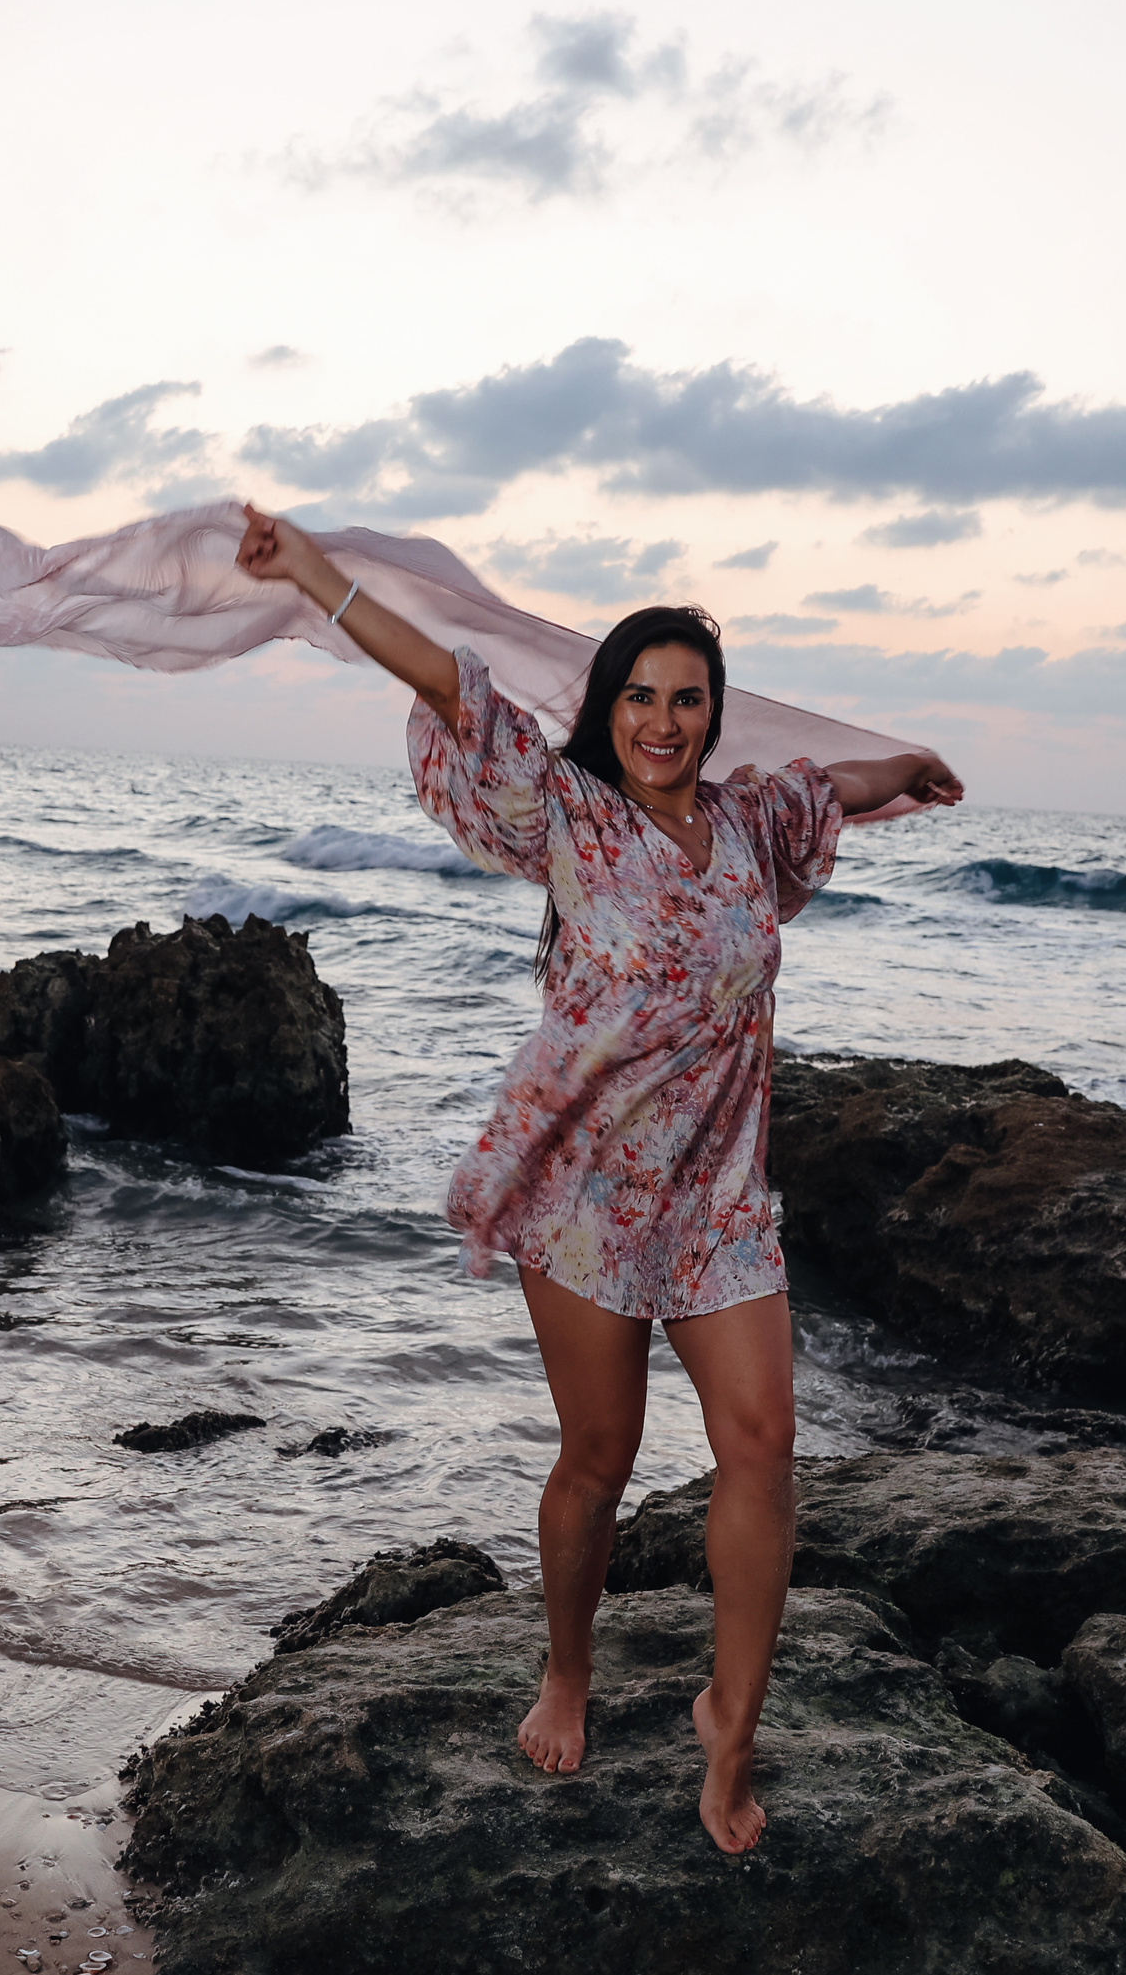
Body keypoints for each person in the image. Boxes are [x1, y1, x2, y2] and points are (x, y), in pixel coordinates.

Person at [234, 503, 963, 1855]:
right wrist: (321, 581)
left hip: (723, 1202)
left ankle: (727, 1733)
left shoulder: (754, 827)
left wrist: (905, 763)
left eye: (689, 699)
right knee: (600, 1456)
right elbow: (450, 680)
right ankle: (566, 1664)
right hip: (586, 1193)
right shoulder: (567, 812)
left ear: (713, 714)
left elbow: (832, 784)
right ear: (611, 707)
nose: (665, 720)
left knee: (764, 1445)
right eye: (642, 695)